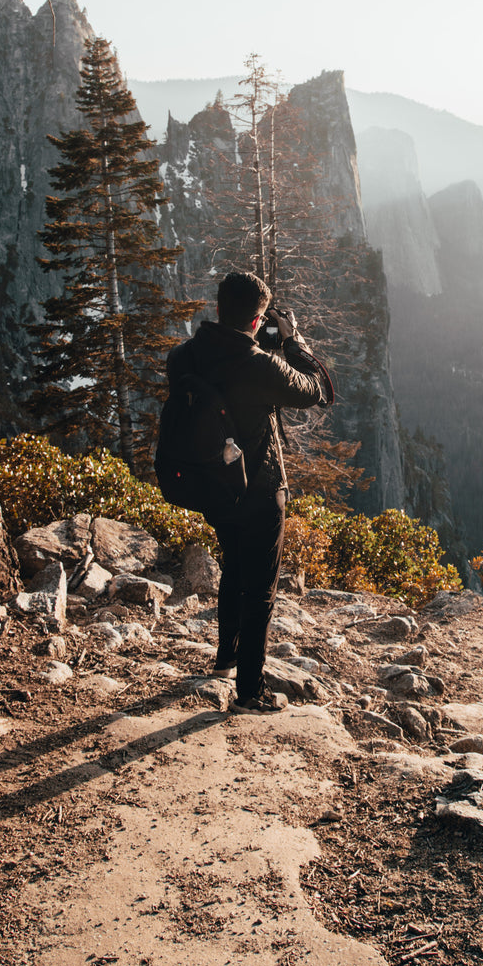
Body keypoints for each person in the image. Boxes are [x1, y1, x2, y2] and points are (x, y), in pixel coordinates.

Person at [165, 270, 329, 713]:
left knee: (234, 566)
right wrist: (294, 344)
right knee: (261, 588)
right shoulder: (262, 366)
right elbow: (315, 391)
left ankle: (227, 659)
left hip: (214, 488)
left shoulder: (182, 357)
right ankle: (250, 692)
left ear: (218, 309)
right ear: (257, 321)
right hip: (260, 490)